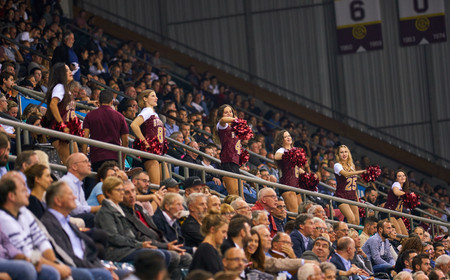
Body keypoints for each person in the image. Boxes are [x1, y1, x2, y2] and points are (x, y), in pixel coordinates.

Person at [41, 181, 118, 280]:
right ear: (58, 201)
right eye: (70, 194)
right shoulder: (49, 223)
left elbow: (87, 252)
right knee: (104, 275)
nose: (75, 197)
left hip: (89, 265)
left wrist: (102, 267)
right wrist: (99, 269)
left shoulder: (67, 222)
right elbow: (68, 256)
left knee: (126, 273)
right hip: (75, 268)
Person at [0, 174, 68, 279]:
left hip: (30, 258)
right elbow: (21, 250)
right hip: (15, 261)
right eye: (23, 190)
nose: (28, 194)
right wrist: (53, 266)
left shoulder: (24, 211)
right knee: (30, 270)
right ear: (11, 196)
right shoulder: (3, 218)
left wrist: (55, 263)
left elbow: (41, 239)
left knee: (56, 271)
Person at [119, 180, 191, 280]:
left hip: (155, 244)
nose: (131, 195)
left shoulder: (139, 209)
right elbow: (139, 237)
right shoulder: (122, 213)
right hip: (140, 247)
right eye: (127, 192)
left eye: (133, 191)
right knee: (171, 256)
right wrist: (166, 246)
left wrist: (168, 246)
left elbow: (156, 232)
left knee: (186, 258)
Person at [94, 176, 163, 263]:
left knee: (163, 254)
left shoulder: (118, 210)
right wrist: (140, 245)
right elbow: (114, 238)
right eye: (118, 190)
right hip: (116, 253)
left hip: (129, 248)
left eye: (122, 190)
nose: (122, 193)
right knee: (158, 255)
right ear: (108, 193)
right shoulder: (105, 213)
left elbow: (131, 235)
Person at [42, 63, 80, 164]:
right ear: (61, 74)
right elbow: (53, 105)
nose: (70, 72)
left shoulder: (66, 89)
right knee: (69, 164)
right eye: (67, 71)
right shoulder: (59, 87)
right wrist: (62, 125)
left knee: (77, 160)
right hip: (61, 132)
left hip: (68, 130)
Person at [82, 89, 129, 171]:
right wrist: (122, 160)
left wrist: (83, 158)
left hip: (96, 158)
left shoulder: (90, 115)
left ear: (99, 101)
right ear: (112, 102)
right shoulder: (120, 117)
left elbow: (84, 138)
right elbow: (126, 142)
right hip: (115, 157)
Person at [130, 89, 168, 185]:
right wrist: (144, 141)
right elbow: (134, 125)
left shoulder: (154, 114)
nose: (156, 98)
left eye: (156, 96)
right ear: (145, 99)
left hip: (158, 152)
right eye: (153, 96)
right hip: (151, 152)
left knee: (167, 186)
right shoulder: (147, 111)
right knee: (156, 186)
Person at [61, 153, 100, 227]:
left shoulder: (78, 184)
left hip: (77, 217)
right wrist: (98, 208)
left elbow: (83, 206)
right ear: (74, 166)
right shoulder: (66, 182)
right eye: (85, 161)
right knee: (91, 218)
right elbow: (75, 210)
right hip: (66, 219)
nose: (89, 164)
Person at [213, 104, 242, 196]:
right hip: (228, 161)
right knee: (234, 195)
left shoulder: (235, 127)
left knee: (241, 195)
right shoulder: (222, 125)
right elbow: (223, 120)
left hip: (235, 162)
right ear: (221, 115)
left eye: (230, 112)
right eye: (226, 112)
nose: (229, 114)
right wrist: (237, 120)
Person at [273, 130, 305, 213]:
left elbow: (296, 168)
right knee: (294, 214)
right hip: (287, 185)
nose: (288, 137)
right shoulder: (281, 150)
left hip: (296, 186)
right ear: (281, 140)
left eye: (289, 136)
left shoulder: (294, 151)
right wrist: (289, 153)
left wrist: (307, 175)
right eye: (285, 136)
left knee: (301, 214)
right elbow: (276, 156)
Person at [333, 145, 366, 225]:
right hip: (341, 196)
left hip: (352, 197)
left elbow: (354, 184)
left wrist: (357, 198)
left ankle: (353, 237)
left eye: (345, 152)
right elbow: (346, 174)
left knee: (357, 222)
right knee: (351, 219)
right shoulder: (337, 165)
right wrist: (360, 172)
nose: (344, 154)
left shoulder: (351, 166)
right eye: (341, 152)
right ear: (338, 155)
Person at [383, 170, 410, 236]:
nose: (402, 177)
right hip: (389, 212)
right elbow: (396, 192)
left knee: (405, 235)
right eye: (399, 176)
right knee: (398, 234)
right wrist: (408, 195)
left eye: (403, 176)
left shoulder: (403, 189)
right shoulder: (396, 184)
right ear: (396, 179)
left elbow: (400, 206)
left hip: (396, 213)